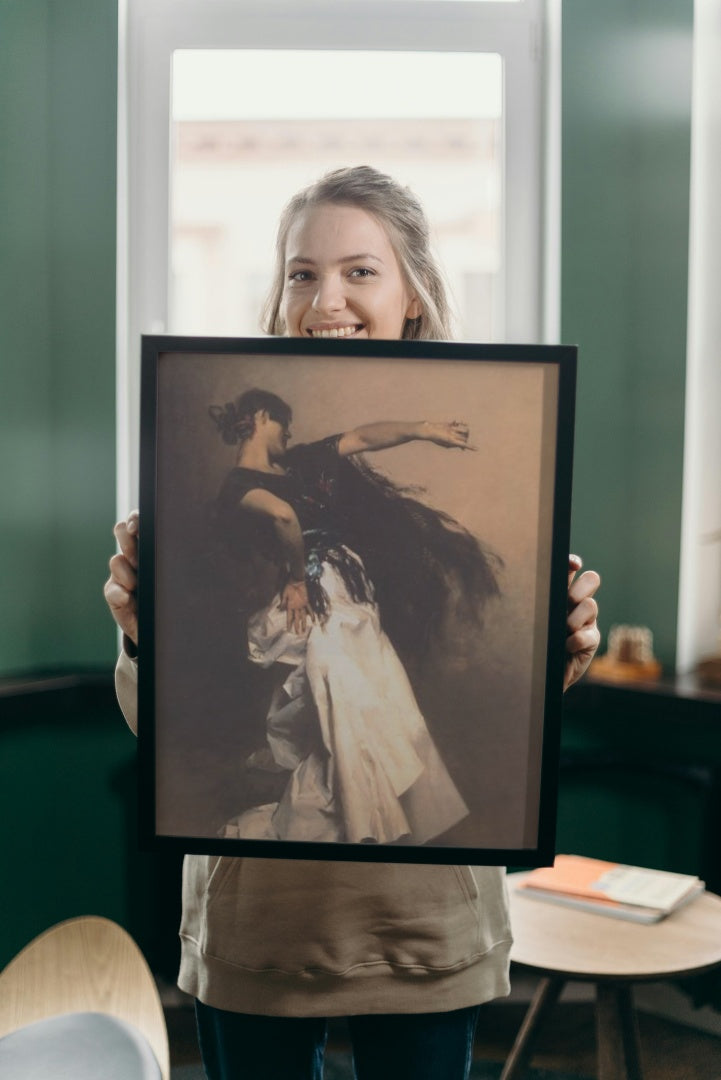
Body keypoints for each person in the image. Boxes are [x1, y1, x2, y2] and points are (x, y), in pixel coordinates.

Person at [105, 166, 601, 1080]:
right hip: (260, 928)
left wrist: (557, 655)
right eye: (301, 272)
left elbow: (362, 439)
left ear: (412, 292)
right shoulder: (224, 494)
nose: (324, 297)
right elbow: (167, 723)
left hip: (421, 928)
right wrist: (142, 636)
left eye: (359, 271)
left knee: (370, 723)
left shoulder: (332, 475)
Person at [209, 388, 496, 847]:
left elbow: (362, 437)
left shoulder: (299, 463)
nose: (291, 434)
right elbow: (283, 517)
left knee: (364, 697)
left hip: (347, 588)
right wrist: (298, 578)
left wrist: (423, 430)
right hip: (319, 592)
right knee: (345, 700)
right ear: (261, 417)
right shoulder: (238, 486)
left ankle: (360, 826)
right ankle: (363, 828)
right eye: (285, 424)